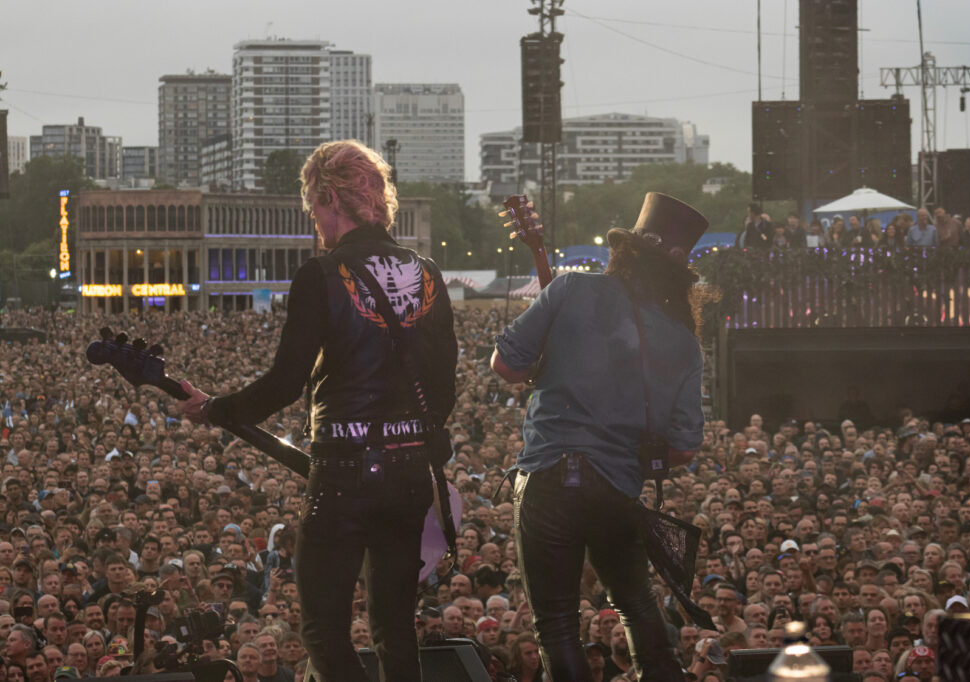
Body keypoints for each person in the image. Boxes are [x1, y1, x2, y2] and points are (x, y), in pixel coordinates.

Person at [179, 139, 458, 681]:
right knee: (396, 627)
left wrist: (215, 409)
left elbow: (286, 383)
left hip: (343, 474)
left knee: (325, 630)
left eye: (314, 209)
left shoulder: (321, 274)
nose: (315, 223)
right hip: (408, 472)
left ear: (330, 197)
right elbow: (444, 385)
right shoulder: (427, 272)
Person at [492, 192, 708, 680]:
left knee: (558, 624)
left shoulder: (571, 290)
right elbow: (685, 446)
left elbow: (508, 364)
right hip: (617, 487)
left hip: (548, 476)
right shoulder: (684, 341)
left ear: (625, 249)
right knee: (636, 604)